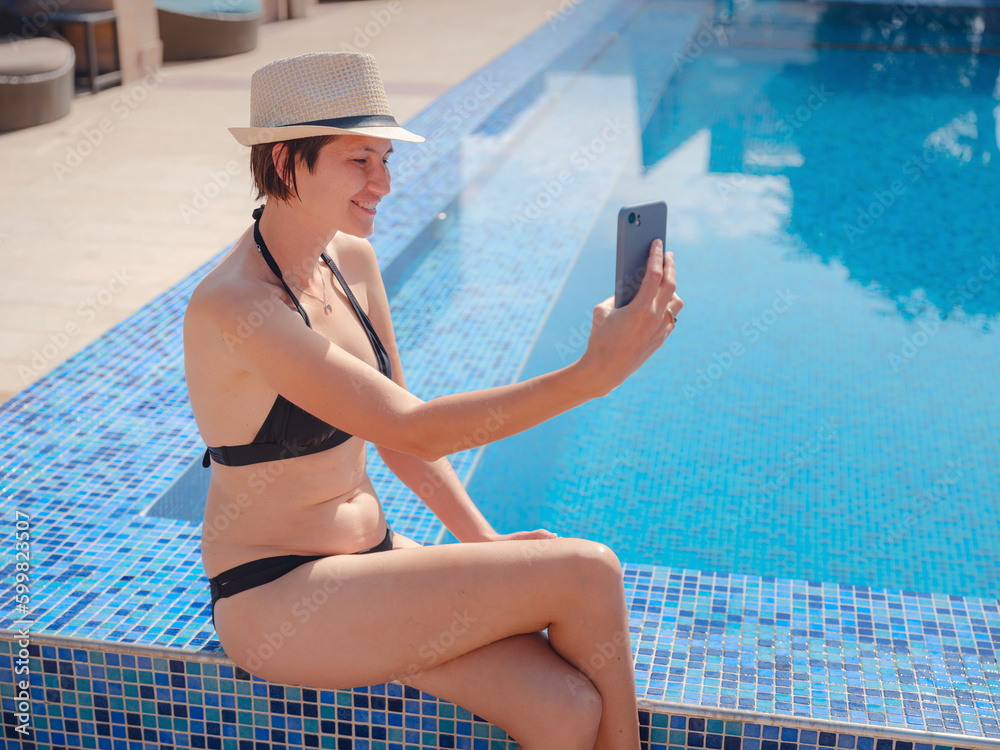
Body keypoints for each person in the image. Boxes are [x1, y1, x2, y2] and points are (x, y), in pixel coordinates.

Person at [183, 52, 682, 750]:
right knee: (588, 571)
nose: (383, 183)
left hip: (375, 564)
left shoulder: (349, 261)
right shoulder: (238, 307)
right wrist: (589, 376)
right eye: (361, 160)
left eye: (386, 159)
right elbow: (410, 426)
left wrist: (485, 542)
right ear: (287, 162)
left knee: (565, 708)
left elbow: (397, 439)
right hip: (277, 596)